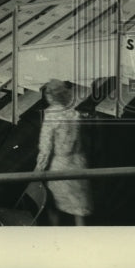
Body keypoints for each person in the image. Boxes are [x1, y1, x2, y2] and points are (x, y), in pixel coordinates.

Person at [35, 79, 93, 226]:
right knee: (79, 209)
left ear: (49, 96)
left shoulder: (51, 116)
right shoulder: (74, 114)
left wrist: (38, 170)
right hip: (79, 163)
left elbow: (45, 147)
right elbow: (83, 141)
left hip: (59, 165)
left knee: (52, 205)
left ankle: (56, 237)